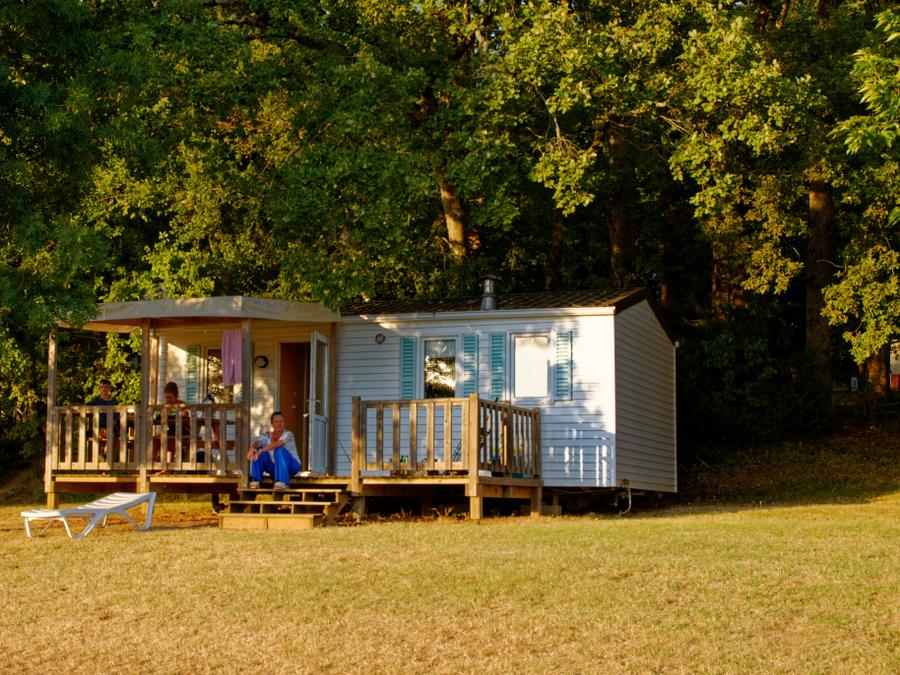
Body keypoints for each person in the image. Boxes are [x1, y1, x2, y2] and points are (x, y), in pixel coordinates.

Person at [247, 411, 300, 489]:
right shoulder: (268, 435)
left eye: (281, 421)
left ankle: (283, 482)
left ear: (284, 423)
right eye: (276, 422)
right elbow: (258, 442)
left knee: (279, 450)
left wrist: (261, 451)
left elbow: (277, 444)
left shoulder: (288, 434)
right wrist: (252, 448)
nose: (279, 424)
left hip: (292, 466)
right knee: (257, 451)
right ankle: (256, 480)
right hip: (275, 467)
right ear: (272, 424)